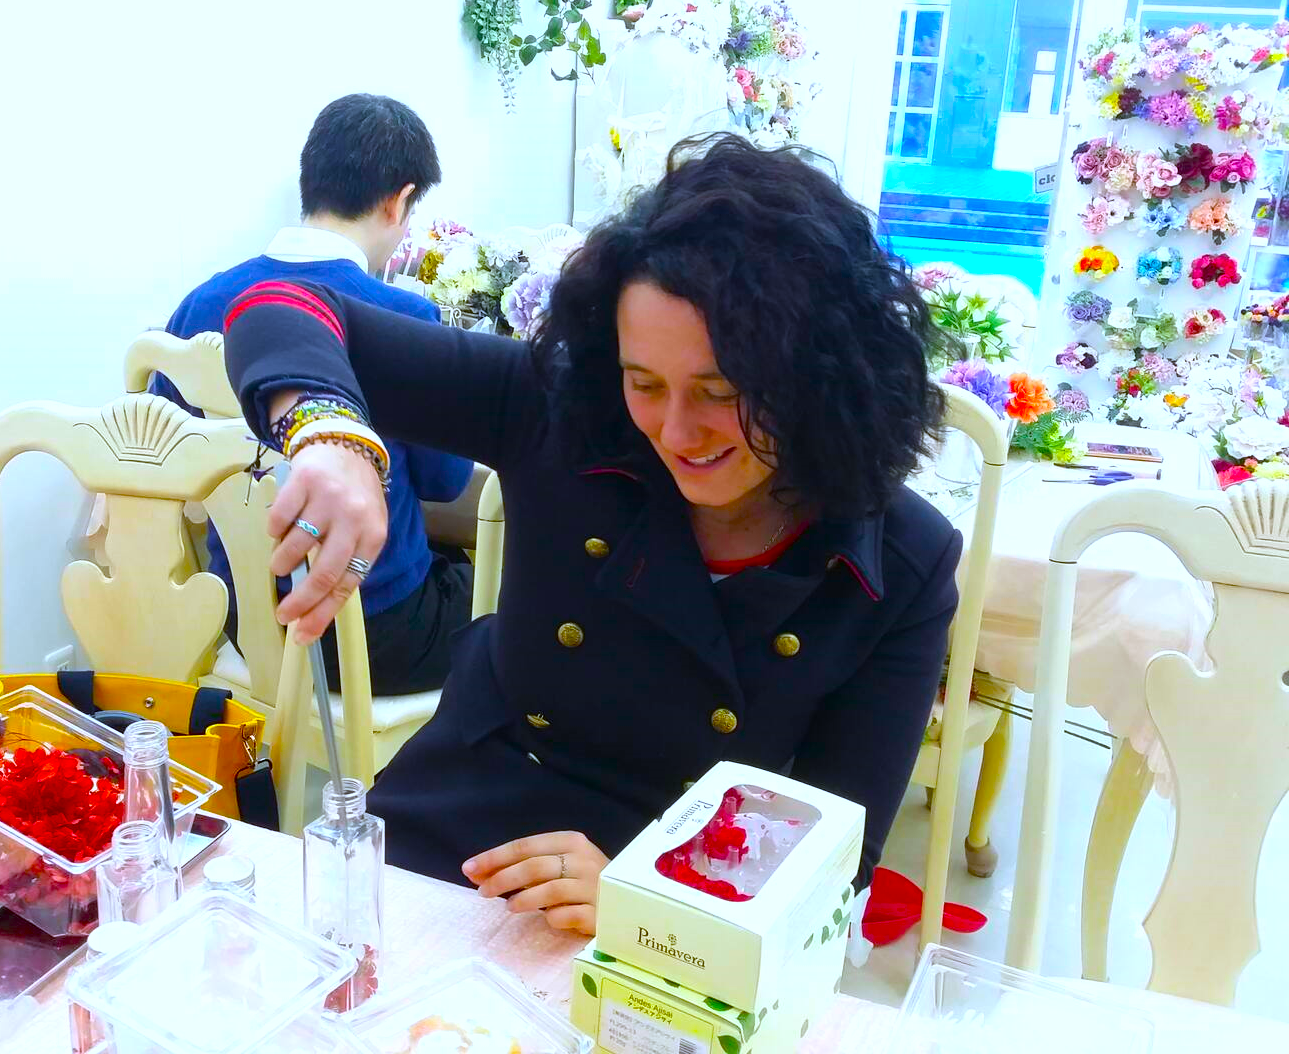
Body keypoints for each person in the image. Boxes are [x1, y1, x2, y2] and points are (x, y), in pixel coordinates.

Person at [224, 134, 961, 936]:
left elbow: (831, 862)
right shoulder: (565, 410)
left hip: (686, 897)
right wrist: (330, 433)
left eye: (721, 393)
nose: (677, 431)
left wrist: (651, 900)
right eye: (644, 383)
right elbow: (279, 308)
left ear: (823, 378)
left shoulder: (903, 561)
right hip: (463, 815)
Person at [154, 93, 473, 696]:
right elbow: (447, 483)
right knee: (492, 585)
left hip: (244, 619)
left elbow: (167, 452)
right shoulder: (401, 314)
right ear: (397, 201)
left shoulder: (202, 302)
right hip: (377, 635)